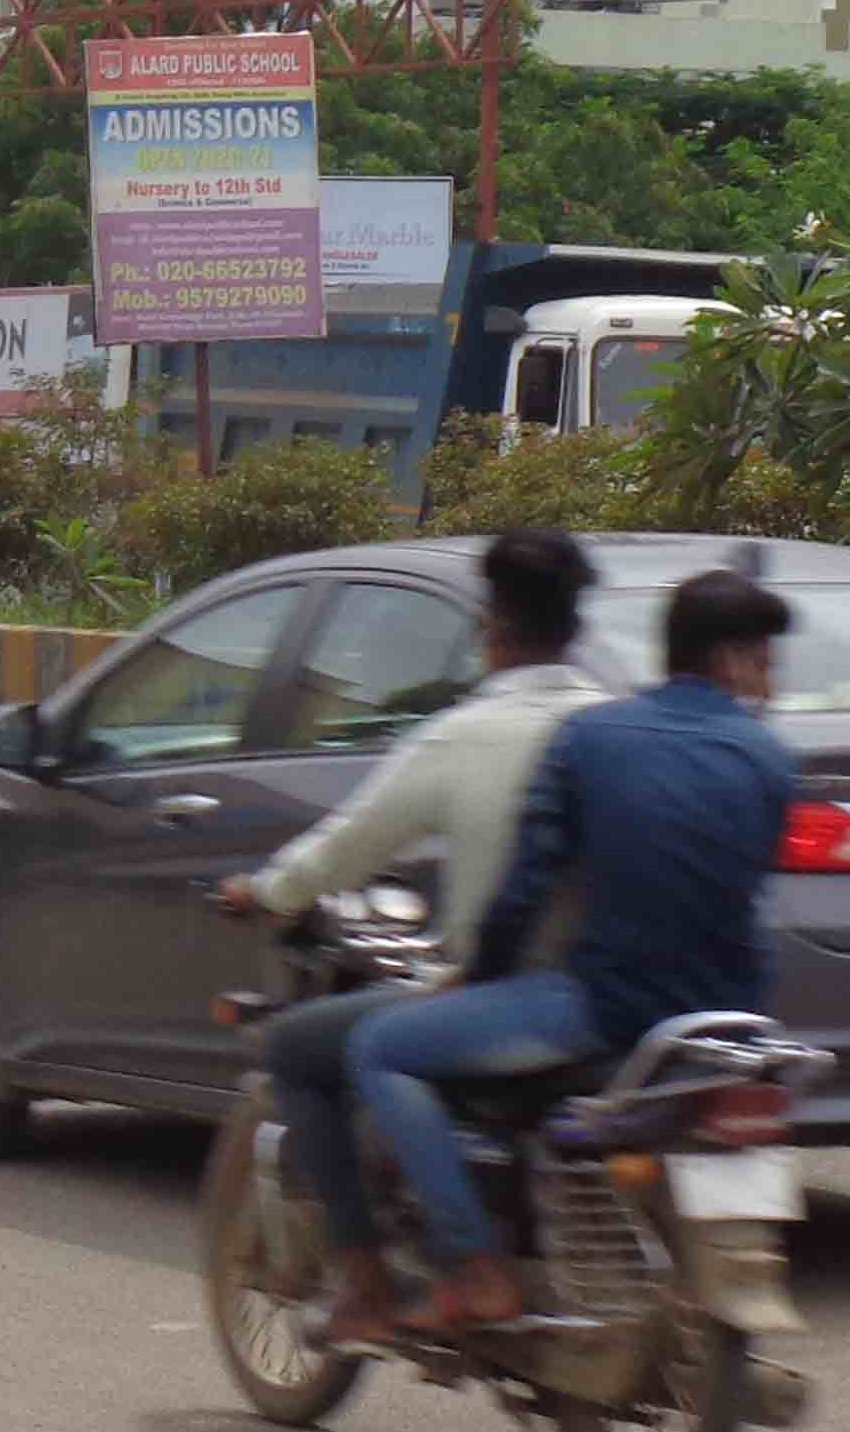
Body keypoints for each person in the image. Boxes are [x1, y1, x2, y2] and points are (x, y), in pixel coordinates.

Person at [344, 565, 802, 1338]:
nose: (770, 676)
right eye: (763, 657)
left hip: (608, 1008)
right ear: (728, 661)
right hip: (732, 1021)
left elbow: (524, 889)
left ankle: (473, 1263)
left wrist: (473, 982)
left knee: (379, 1046)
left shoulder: (591, 737)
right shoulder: (768, 757)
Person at [212, 529, 610, 1359]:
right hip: (623, 993)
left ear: (492, 625)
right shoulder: (615, 723)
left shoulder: (466, 732)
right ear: (575, 629)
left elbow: (348, 843)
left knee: (305, 1045)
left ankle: (376, 1281)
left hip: (515, 998)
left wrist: (265, 892)